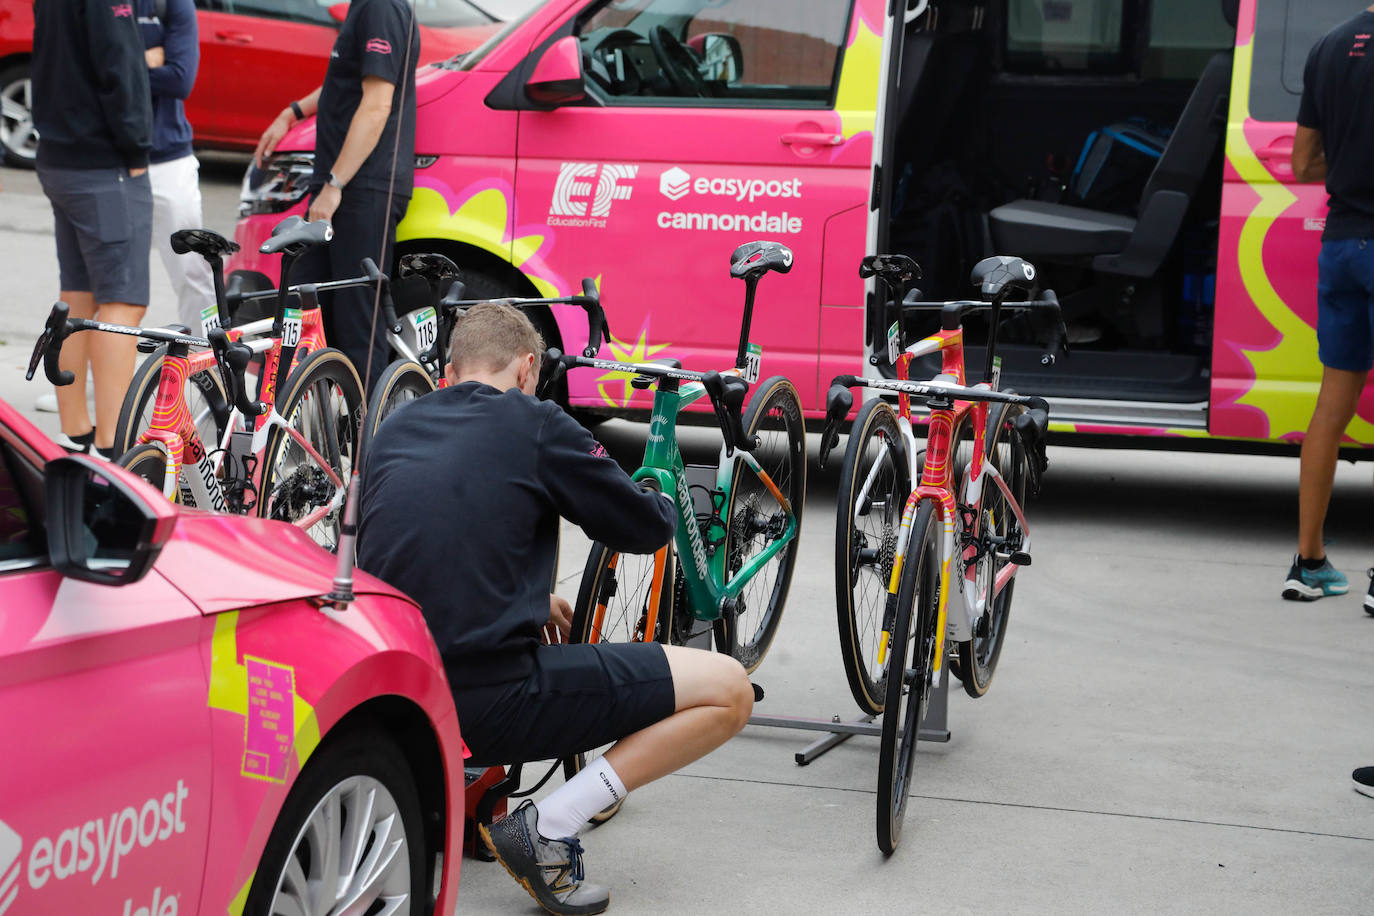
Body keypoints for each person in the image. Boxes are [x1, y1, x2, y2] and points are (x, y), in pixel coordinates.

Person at [358, 305, 754, 915]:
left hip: (391, 692)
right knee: (729, 689)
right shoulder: (535, 422)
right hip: (485, 700)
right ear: (524, 370)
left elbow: (429, 534)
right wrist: (658, 493)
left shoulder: (396, 425)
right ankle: (546, 827)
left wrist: (529, 597)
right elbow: (642, 529)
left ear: (450, 370)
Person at [252, 0, 419, 388]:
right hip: (342, 186)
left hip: (361, 189)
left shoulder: (381, 7)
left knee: (358, 327)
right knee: (305, 312)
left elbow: (377, 104)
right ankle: (309, 431)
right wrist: (293, 112)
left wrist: (334, 186)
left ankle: (366, 441)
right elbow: (344, 83)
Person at [32, 0, 154, 459]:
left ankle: (76, 431)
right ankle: (112, 446)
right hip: (103, 164)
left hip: (61, 155)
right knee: (122, 304)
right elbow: (118, 65)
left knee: (80, 295)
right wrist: (137, 148)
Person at [1283, 4, 1374, 615]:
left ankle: (1308, 563)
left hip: (1342, 244)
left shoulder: (1330, 45)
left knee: (1331, 406)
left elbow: (1302, 163)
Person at [139, 0, 217, 334]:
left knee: (193, 276)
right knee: (109, 284)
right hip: (108, 163)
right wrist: (146, 62)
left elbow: (180, 79)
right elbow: (83, 74)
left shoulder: (171, 4)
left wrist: (118, 67)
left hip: (168, 162)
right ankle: (102, 384)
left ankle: (209, 378)